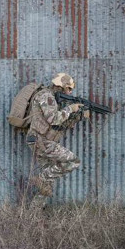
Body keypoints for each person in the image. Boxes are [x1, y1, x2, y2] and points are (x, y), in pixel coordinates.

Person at [26, 73, 89, 208]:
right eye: (69, 89)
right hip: (39, 140)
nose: (70, 92)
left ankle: (32, 215)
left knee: (48, 182)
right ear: (61, 86)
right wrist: (70, 109)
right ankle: (40, 178)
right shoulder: (46, 96)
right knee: (73, 161)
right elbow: (54, 119)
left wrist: (79, 115)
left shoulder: (53, 99)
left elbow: (59, 125)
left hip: (43, 140)